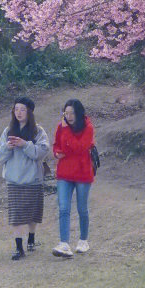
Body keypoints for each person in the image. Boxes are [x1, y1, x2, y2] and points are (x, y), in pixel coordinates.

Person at [0, 96, 50, 261]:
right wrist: (8, 147)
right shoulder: (7, 131)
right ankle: (19, 248)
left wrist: (24, 144)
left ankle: (31, 238)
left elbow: (42, 151)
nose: (19, 113)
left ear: (29, 112)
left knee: (33, 213)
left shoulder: (38, 131)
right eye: (16, 109)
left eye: (22, 109)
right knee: (16, 216)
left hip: (33, 179)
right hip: (14, 180)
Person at [52, 97, 96, 258]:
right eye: (66, 113)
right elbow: (56, 144)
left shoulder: (88, 127)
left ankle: (83, 240)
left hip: (82, 173)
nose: (68, 116)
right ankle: (64, 243)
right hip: (64, 172)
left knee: (82, 208)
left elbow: (79, 147)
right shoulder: (61, 126)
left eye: (72, 113)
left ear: (78, 113)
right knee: (63, 208)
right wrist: (56, 152)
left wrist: (67, 132)